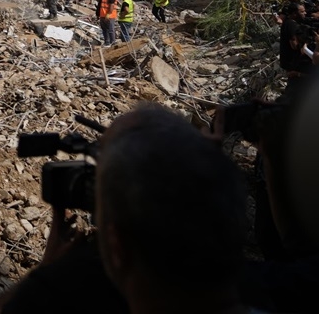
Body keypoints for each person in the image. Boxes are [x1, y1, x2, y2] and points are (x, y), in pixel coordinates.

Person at [95, 105, 251, 314]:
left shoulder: (62, 290)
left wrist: (43, 286)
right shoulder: (280, 289)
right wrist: (206, 170)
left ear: (118, 248)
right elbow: (298, 248)